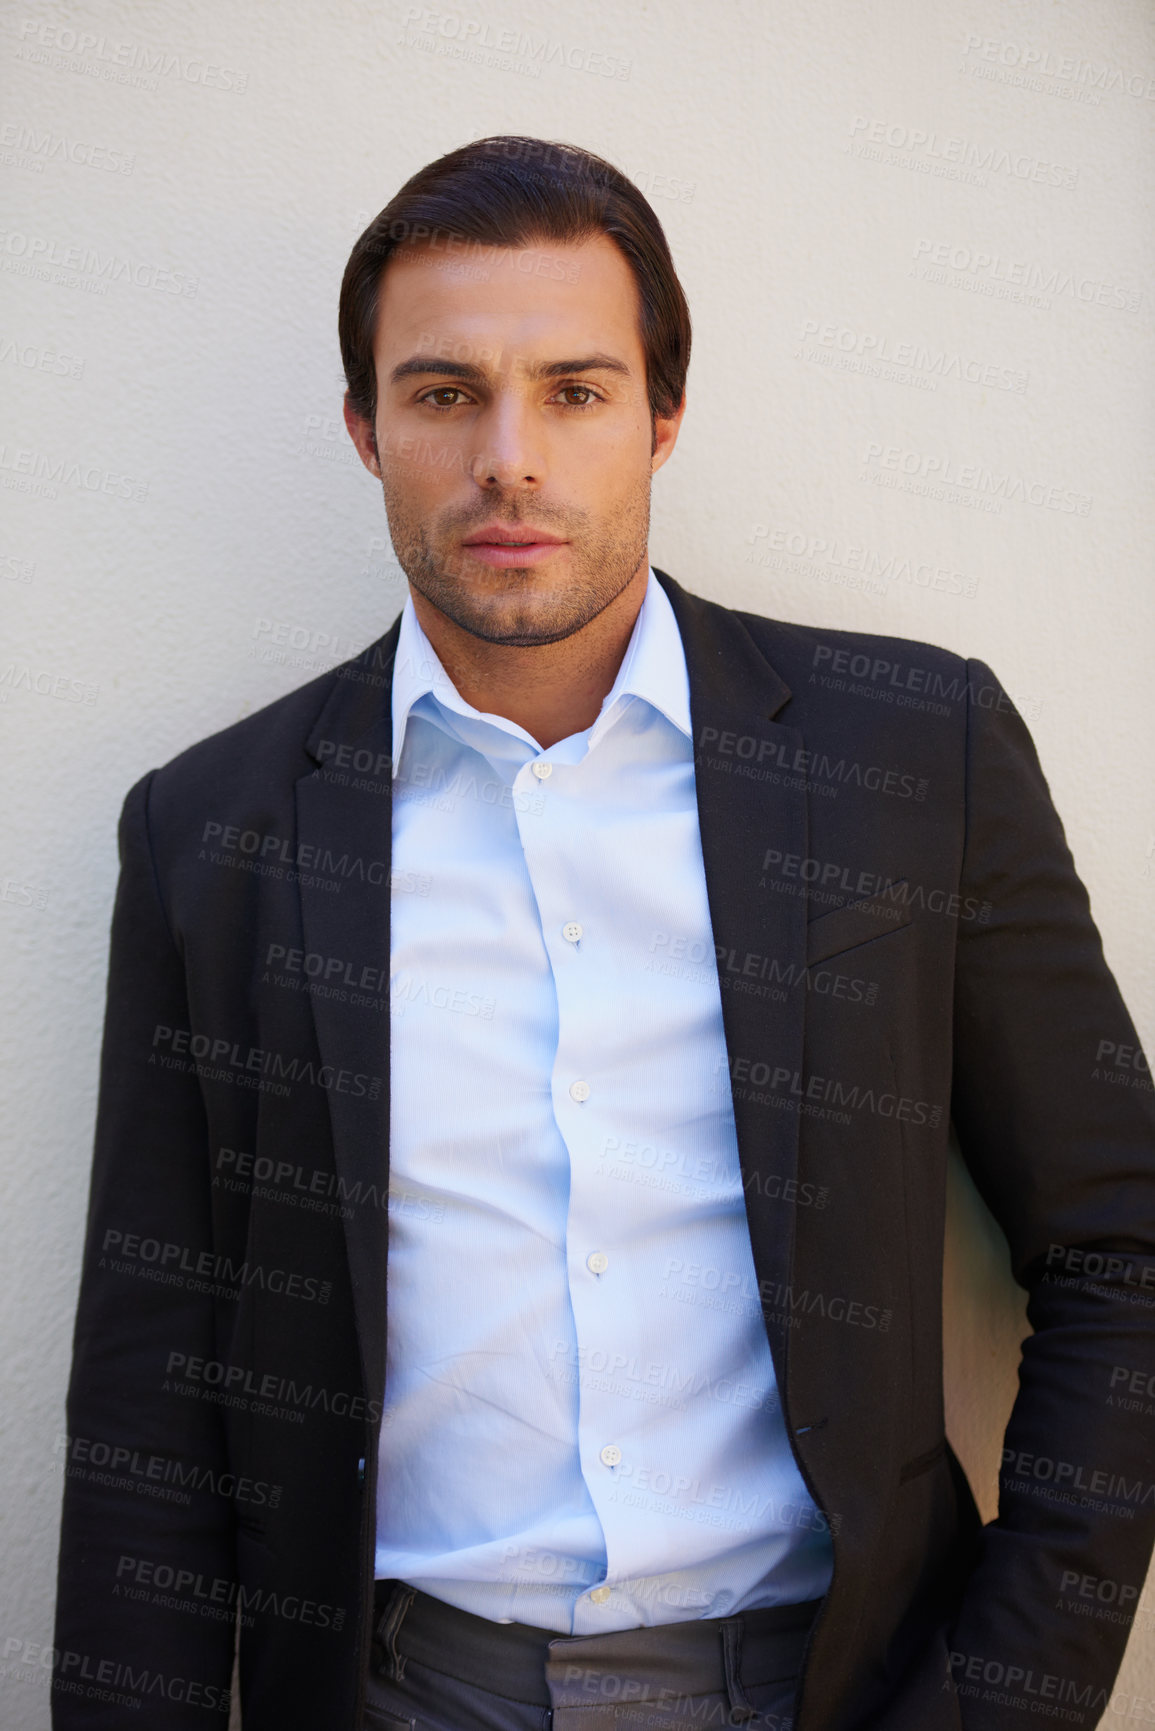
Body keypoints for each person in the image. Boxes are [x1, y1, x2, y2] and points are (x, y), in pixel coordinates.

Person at [53, 134, 1155, 1731]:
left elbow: (1122, 1248)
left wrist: (1006, 1700)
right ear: (366, 431)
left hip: (835, 1689)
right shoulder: (211, 832)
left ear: (664, 414)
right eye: (443, 394)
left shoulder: (914, 756)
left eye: (573, 390)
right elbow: (157, 1396)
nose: (510, 457)